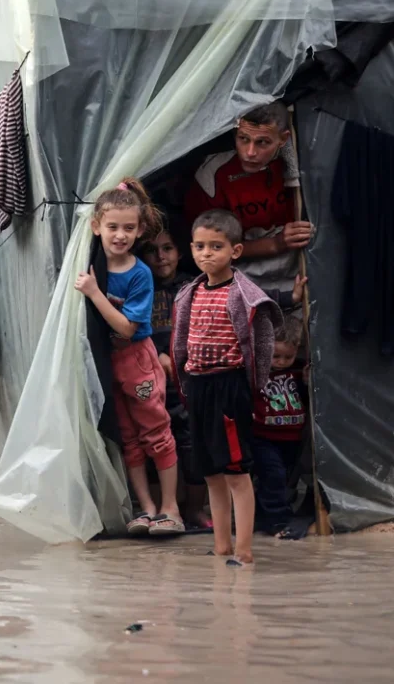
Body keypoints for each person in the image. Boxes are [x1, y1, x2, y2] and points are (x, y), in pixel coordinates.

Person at [173, 209, 282, 565]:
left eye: (216, 246)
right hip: (199, 386)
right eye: (200, 246)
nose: (206, 253)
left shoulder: (243, 294)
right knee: (210, 472)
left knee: (236, 470)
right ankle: (221, 545)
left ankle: (244, 550)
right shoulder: (190, 293)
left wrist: (253, 388)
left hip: (229, 387)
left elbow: (262, 345)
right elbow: (181, 342)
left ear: (235, 251)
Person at [74, 180, 183, 536]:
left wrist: (94, 293)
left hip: (136, 360)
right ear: (96, 227)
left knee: (156, 432)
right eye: (113, 227)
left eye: (128, 228)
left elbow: (126, 327)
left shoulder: (140, 274)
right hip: (109, 363)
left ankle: (171, 508)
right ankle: (146, 508)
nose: (120, 235)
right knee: (128, 438)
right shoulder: (91, 262)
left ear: (139, 231)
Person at [183, 102, 312, 296]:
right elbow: (206, 248)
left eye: (263, 142)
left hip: (300, 278)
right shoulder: (212, 174)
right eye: (243, 139)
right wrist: (275, 244)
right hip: (239, 285)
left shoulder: (302, 164)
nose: (250, 152)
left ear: (283, 139)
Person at [142, 229, 210, 530]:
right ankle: (164, 510)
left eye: (168, 248)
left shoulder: (194, 285)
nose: (161, 257)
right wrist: (156, 353)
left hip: (190, 378)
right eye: (152, 250)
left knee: (193, 444)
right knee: (155, 444)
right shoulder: (139, 284)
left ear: (180, 252)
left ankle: (194, 510)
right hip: (151, 376)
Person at [252, 314, 309, 540]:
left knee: (281, 480)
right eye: (275, 356)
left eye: (288, 357)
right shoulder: (256, 371)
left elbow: (304, 398)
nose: (281, 361)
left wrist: (306, 382)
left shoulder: (299, 371)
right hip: (263, 436)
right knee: (273, 475)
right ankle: (278, 522)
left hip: (292, 437)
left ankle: (263, 516)